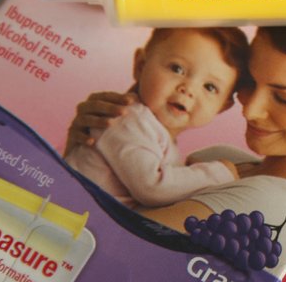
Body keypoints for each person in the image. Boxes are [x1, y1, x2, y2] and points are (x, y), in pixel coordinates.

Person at [67, 25, 286, 272]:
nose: (249, 109)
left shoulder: (273, 204)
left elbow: (102, 253)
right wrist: (91, 144)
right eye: (250, 82)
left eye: (284, 98)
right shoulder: (221, 160)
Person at [65, 27, 249, 209]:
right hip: (62, 209)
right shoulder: (126, 118)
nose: (188, 89)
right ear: (140, 66)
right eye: (177, 69)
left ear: (222, 107)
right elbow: (152, 188)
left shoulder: (157, 133)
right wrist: (219, 173)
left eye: (209, 87)